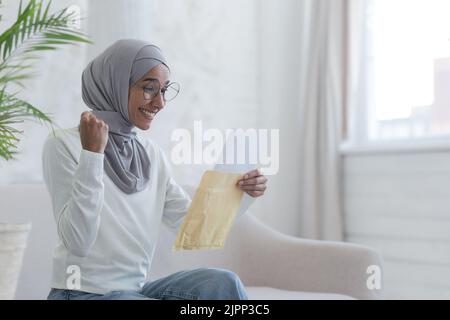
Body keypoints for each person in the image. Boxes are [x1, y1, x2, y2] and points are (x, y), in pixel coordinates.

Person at [42, 39, 268, 300]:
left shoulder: (151, 155)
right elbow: (78, 242)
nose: (159, 103)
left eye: (164, 91)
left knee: (222, 284)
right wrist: (92, 155)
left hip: (133, 292)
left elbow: (193, 228)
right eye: (149, 89)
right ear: (115, 83)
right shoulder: (63, 144)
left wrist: (242, 192)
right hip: (78, 293)